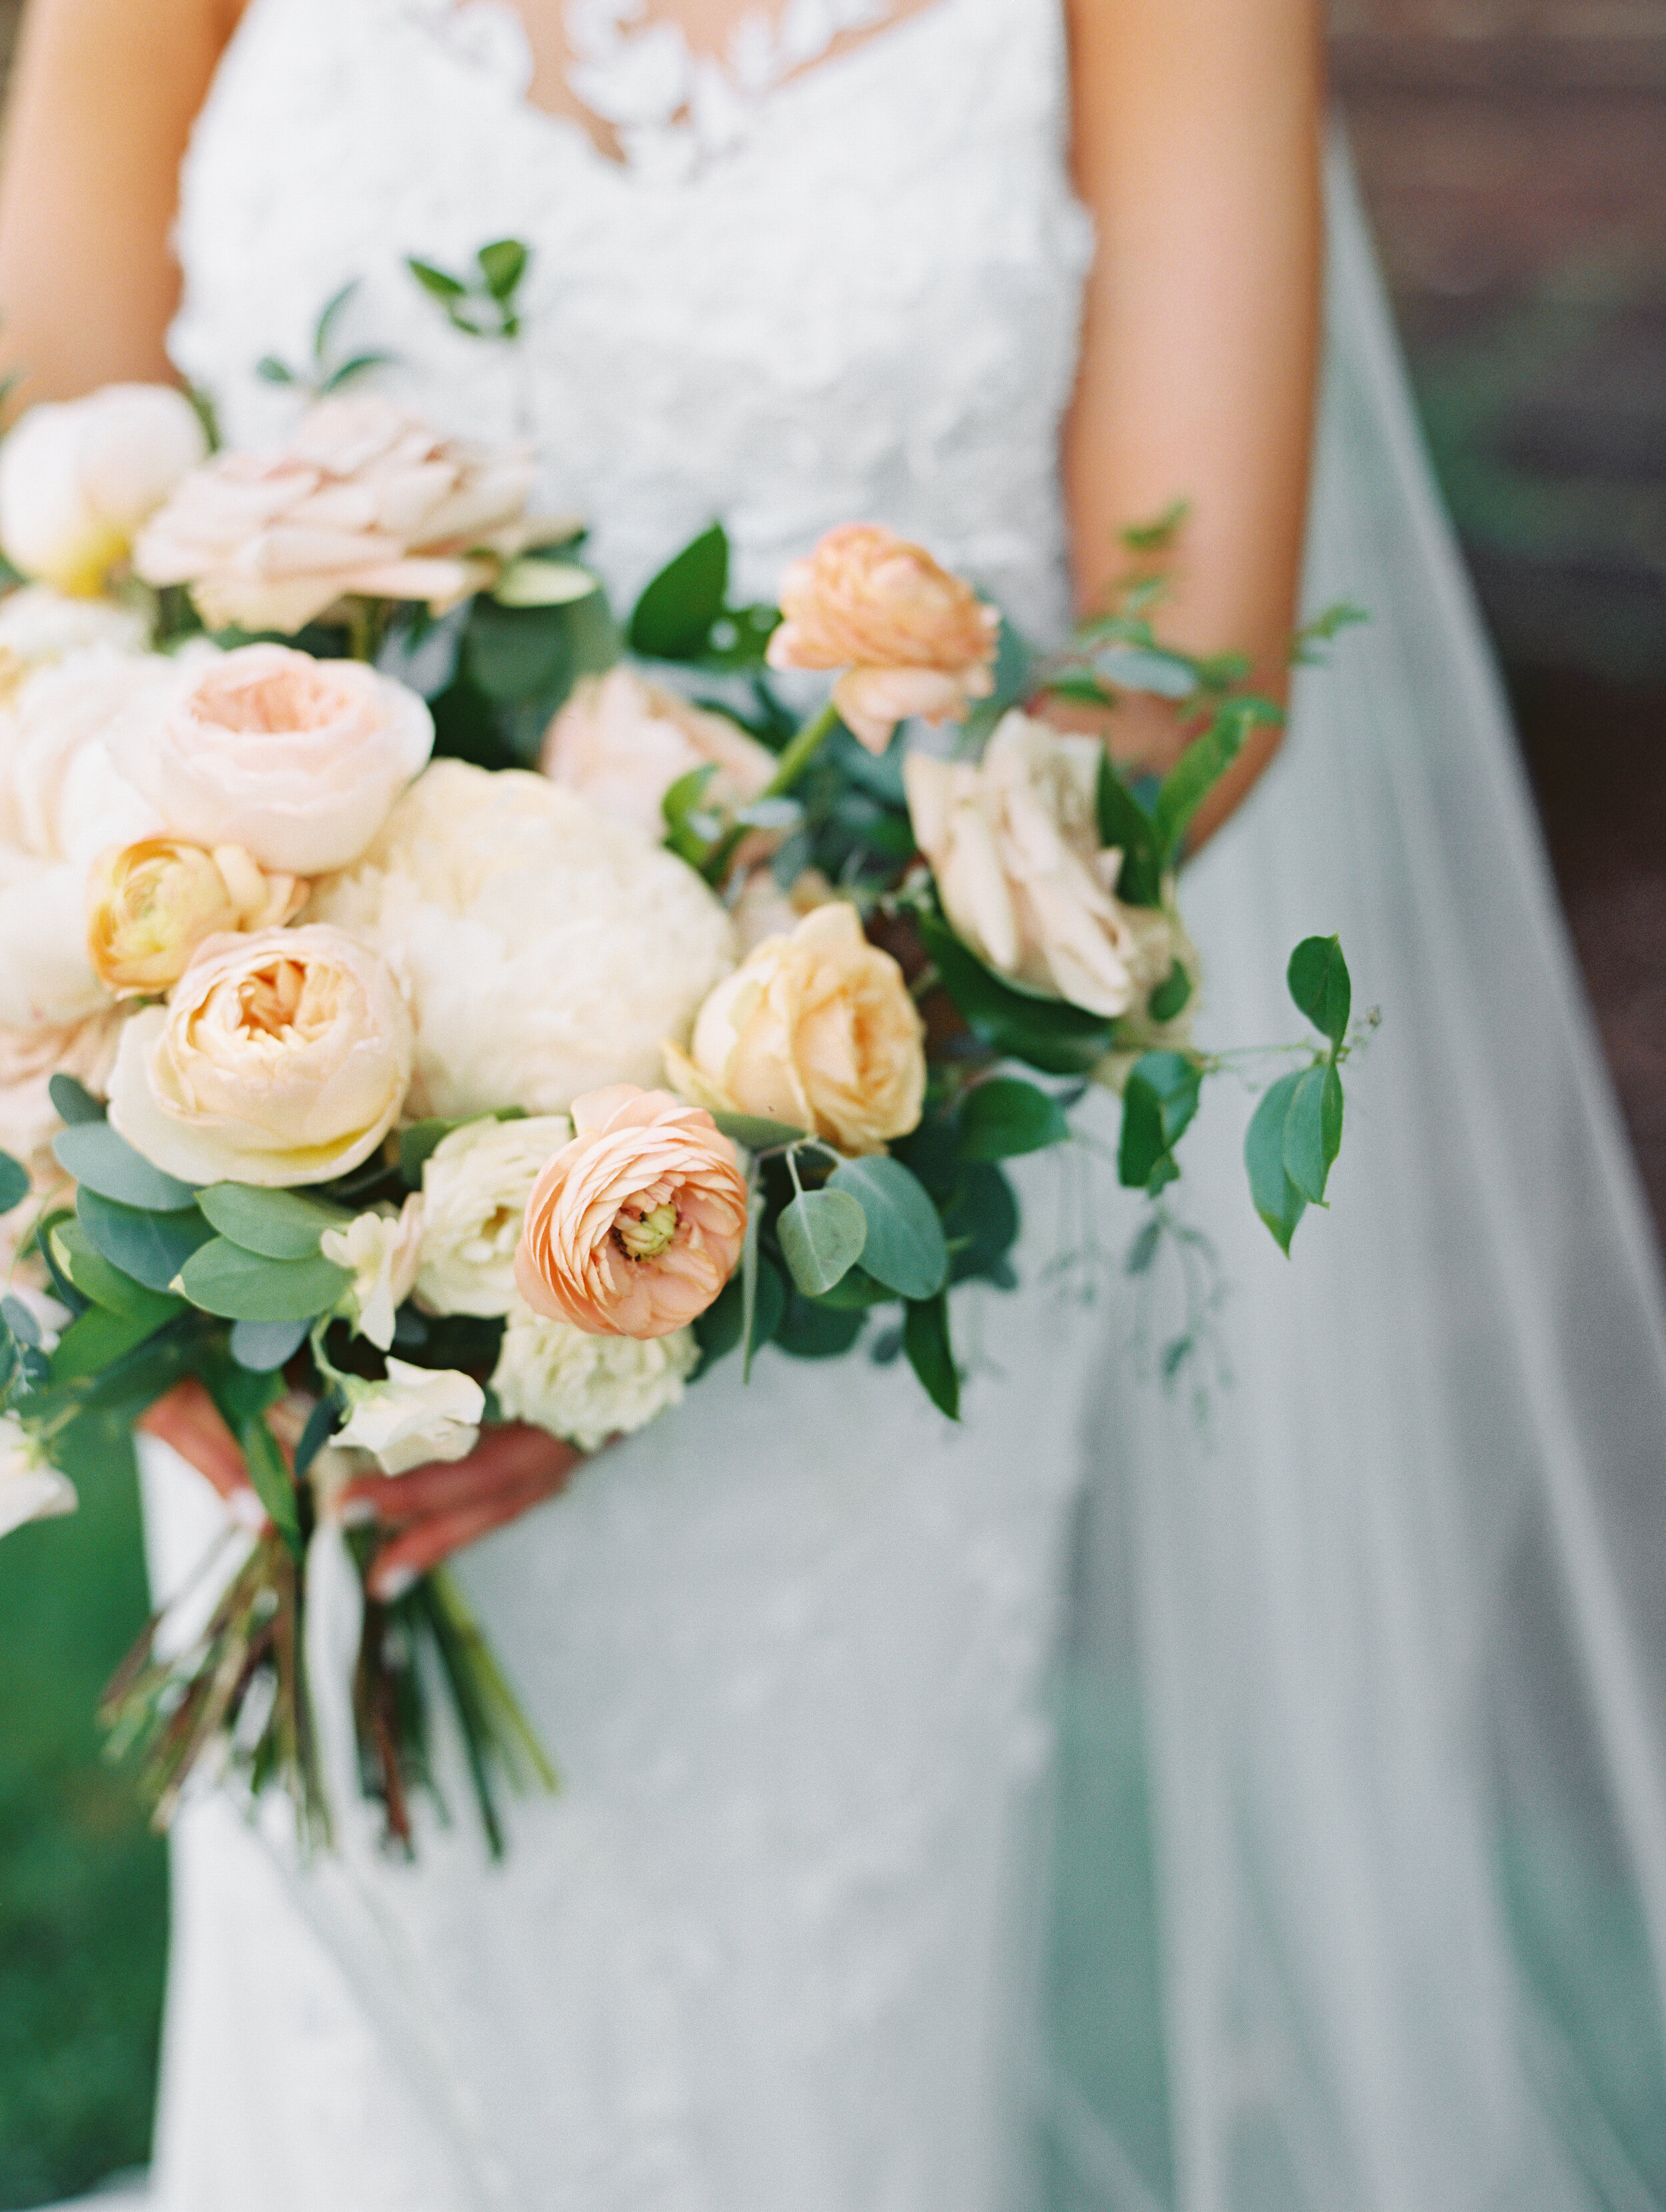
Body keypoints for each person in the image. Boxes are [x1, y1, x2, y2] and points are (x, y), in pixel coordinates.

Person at [3, 2, 1666, 2207]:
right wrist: (140, 1124)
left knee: (809, 2062)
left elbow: (1189, 662)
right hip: (294, 1175)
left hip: (847, 1194)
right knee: (356, 2064)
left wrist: (736, 1144)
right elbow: (49, 464)